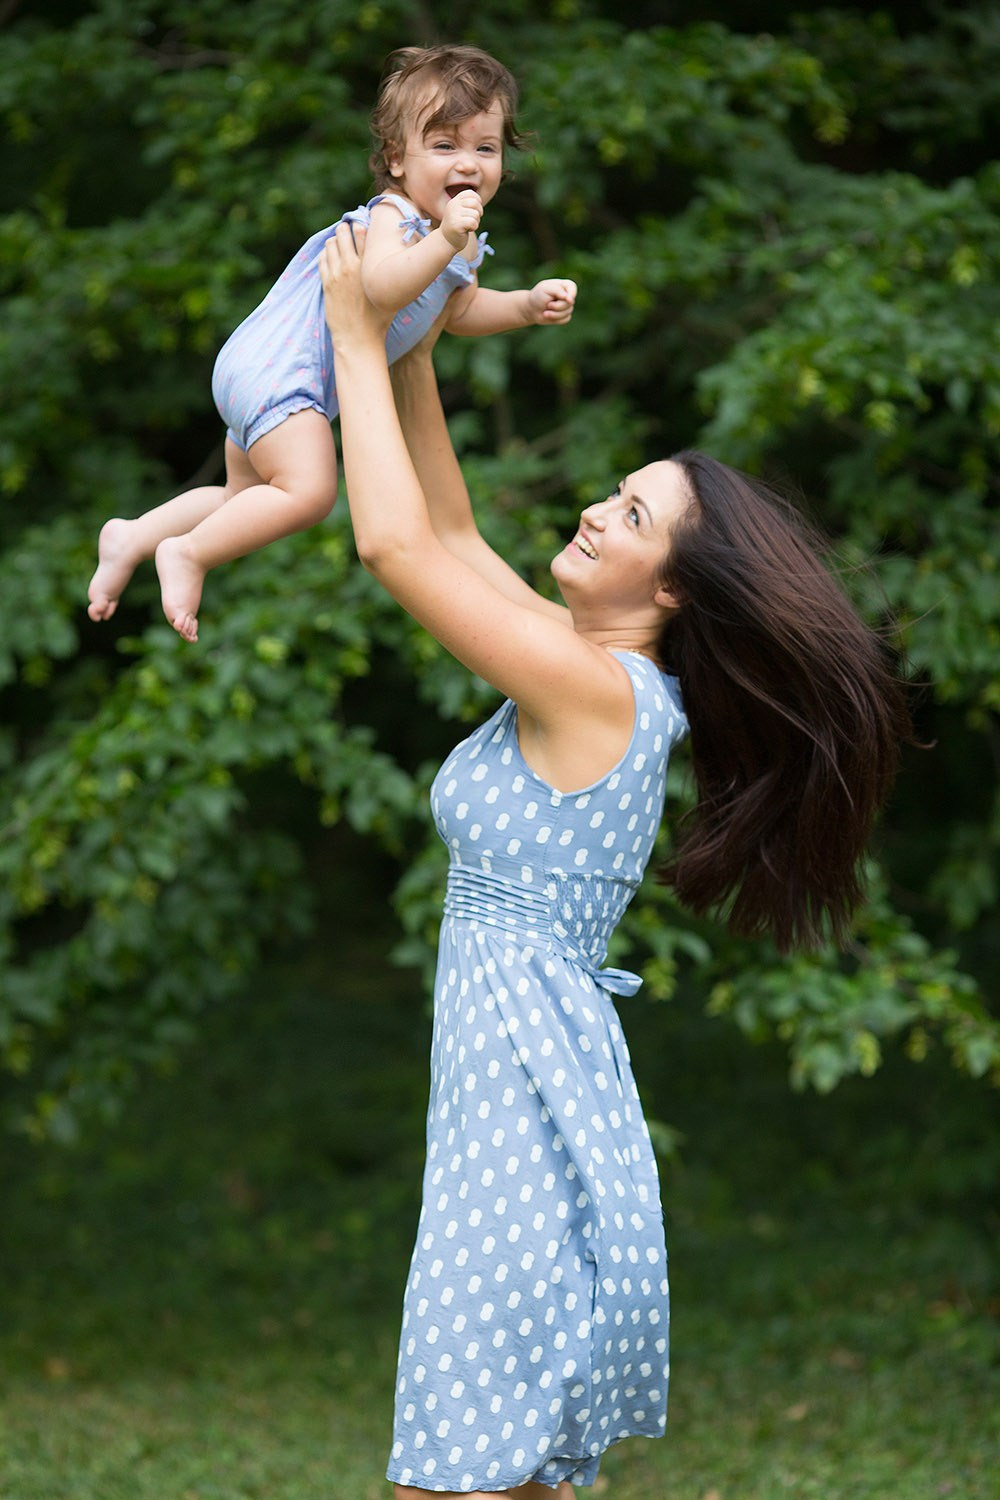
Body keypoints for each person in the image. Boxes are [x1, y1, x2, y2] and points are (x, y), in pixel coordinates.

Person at [319, 224, 911, 1499]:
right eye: (616, 491)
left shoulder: (596, 692)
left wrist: (356, 335)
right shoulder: (584, 665)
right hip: (515, 1109)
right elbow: (453, 531)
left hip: (520, 1126)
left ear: (676, 588)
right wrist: (416, 335)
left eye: (632, 514)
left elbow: (395, 549)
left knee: (451, 1476)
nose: (595, 508)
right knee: (500, 1475)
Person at [86, 44, 576, 643]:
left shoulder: (459, 242)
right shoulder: (395, 215)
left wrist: (525, 305)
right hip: (283, 375)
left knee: (245, 495)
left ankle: (134, 536)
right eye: (444, 145)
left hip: (268, 375)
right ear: (395, 158)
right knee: (311, 493)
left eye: (486, 148)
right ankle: (188, 553)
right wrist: (446, 238)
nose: (468, 164)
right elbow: (382, 286)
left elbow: (459, 311)